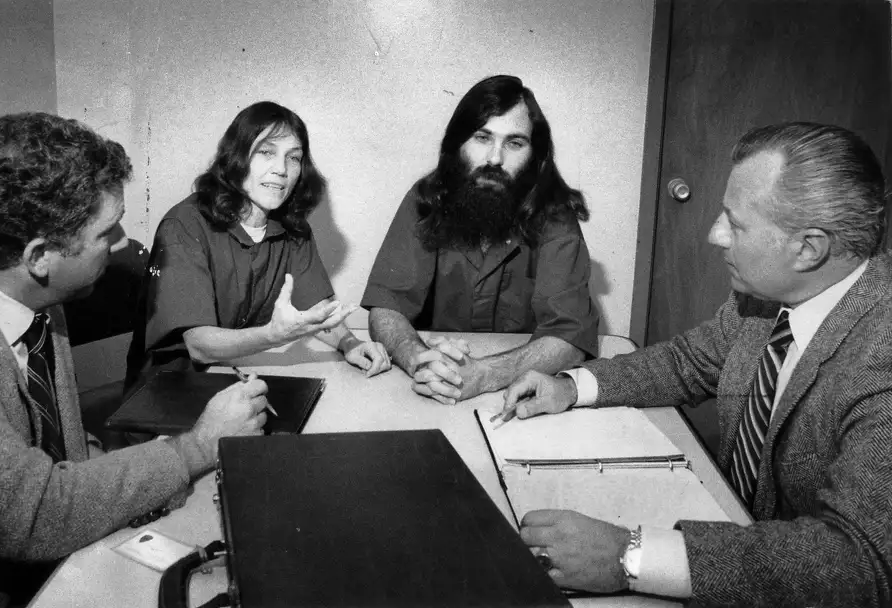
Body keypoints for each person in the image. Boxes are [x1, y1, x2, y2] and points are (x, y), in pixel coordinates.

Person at [501, 122, 892, 607]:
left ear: (809, 248)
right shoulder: (771, 297)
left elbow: (859, 563)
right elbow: (686, 362)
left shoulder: (883, 353)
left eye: (736, 223)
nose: (715, 234)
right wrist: (570, 386)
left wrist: (631, 557)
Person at [0, 113, 270, 607]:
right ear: (39, 255)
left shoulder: (27, 285)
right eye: (106, 232)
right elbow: (32, 514)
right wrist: (198, 447)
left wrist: (140, 480)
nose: (122, 245)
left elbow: (61, 446)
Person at [361, 75, 598, 405]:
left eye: (514, 143)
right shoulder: (424, 199)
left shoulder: (555, 215)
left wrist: (485, 374)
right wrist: (417, 358)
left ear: (535, 155)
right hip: (433, 384)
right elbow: (386, 307)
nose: (495, 159)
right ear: (457, 143)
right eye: (482, 138)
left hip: (516, 389)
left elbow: (570, 338)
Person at [126, 102, 389, 390]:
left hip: (238, 379)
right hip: (168, 391)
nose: (281, 170)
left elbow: (316, 308)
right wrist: (274, 335)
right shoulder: (184, 226)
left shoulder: (294, 228)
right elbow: (199, 346)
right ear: (237, 157)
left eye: (293, 158)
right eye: (266, 152)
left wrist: (350, 343)